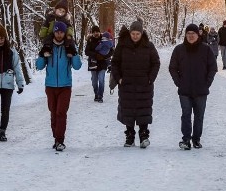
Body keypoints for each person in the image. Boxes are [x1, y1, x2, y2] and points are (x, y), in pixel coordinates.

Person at [110, 20, 160, 148]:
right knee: (128, 109)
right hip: (127, 84)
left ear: (142, 33)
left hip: (144, 85)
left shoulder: (148, 46)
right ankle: (130, 135)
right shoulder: (122, 46)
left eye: (138, 33)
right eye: (133, 33)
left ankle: (144, 135)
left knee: (144, 109)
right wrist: (119, 78)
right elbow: (114, 63)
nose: (135, 36)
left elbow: (156, 63)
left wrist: (151, 78)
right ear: (130, 33)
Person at [168, 23, 217, 150]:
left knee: (199, 115)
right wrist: (178, 82)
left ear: (198, 35)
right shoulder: (179, 50)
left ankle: (196, 139)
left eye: (193, 34)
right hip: (184, 90)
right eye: (188, 34)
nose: (190, 36)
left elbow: (213, 67)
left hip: (201, 89)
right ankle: (186, 139)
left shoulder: (205, 49)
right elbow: (172, 67)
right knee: (186, 114)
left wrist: (207, 82)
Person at [35, 20, 82, 151]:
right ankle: (56, 137)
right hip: (50, 85)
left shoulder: (69, 45)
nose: (59, 34)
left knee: (61, 112)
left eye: (61, 32)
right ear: (54, 32)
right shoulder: (48, 46)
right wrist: (41, 54)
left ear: (65, 32)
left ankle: (60, 140)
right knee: (53, 113)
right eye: (57, 32)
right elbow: (39, 66)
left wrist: (74, 54)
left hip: (65, 85)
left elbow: (77, 66)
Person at [85, 25, 114, 102]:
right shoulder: (90, 40)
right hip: (92, 64)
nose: (96, 33)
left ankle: (100, 96)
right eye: (94, 32)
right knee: (94, 81)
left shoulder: (104, 38)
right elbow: (87, 52)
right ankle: (96, 94)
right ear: (92, 33)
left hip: (103, 63)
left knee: (101, 80)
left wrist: (104, 56)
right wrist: (95, 55)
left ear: (99, 31)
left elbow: (111, 50)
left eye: (97, 32)